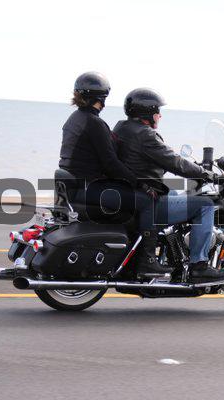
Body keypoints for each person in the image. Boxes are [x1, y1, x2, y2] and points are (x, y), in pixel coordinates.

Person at [113, 88, 224, 283]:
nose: (159, 115)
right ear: (147, 113)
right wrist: (207, 174)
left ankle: (174, 255)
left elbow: (154, 161)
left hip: (132, 195)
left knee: (176, 193)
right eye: (157, 111)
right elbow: (175, 162)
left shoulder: (122, 129)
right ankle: (199, 266)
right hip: (146, 200)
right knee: (205, 205)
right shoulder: (145, 135)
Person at [59, 73, 172, 276]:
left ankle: (132, 255)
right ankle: (147, 260)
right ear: (102, 98)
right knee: (148, 200)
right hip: (90, 189)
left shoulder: (74, 119)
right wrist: (141, 184)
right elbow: (111, 164)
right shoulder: (94, 123)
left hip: (76, 186)